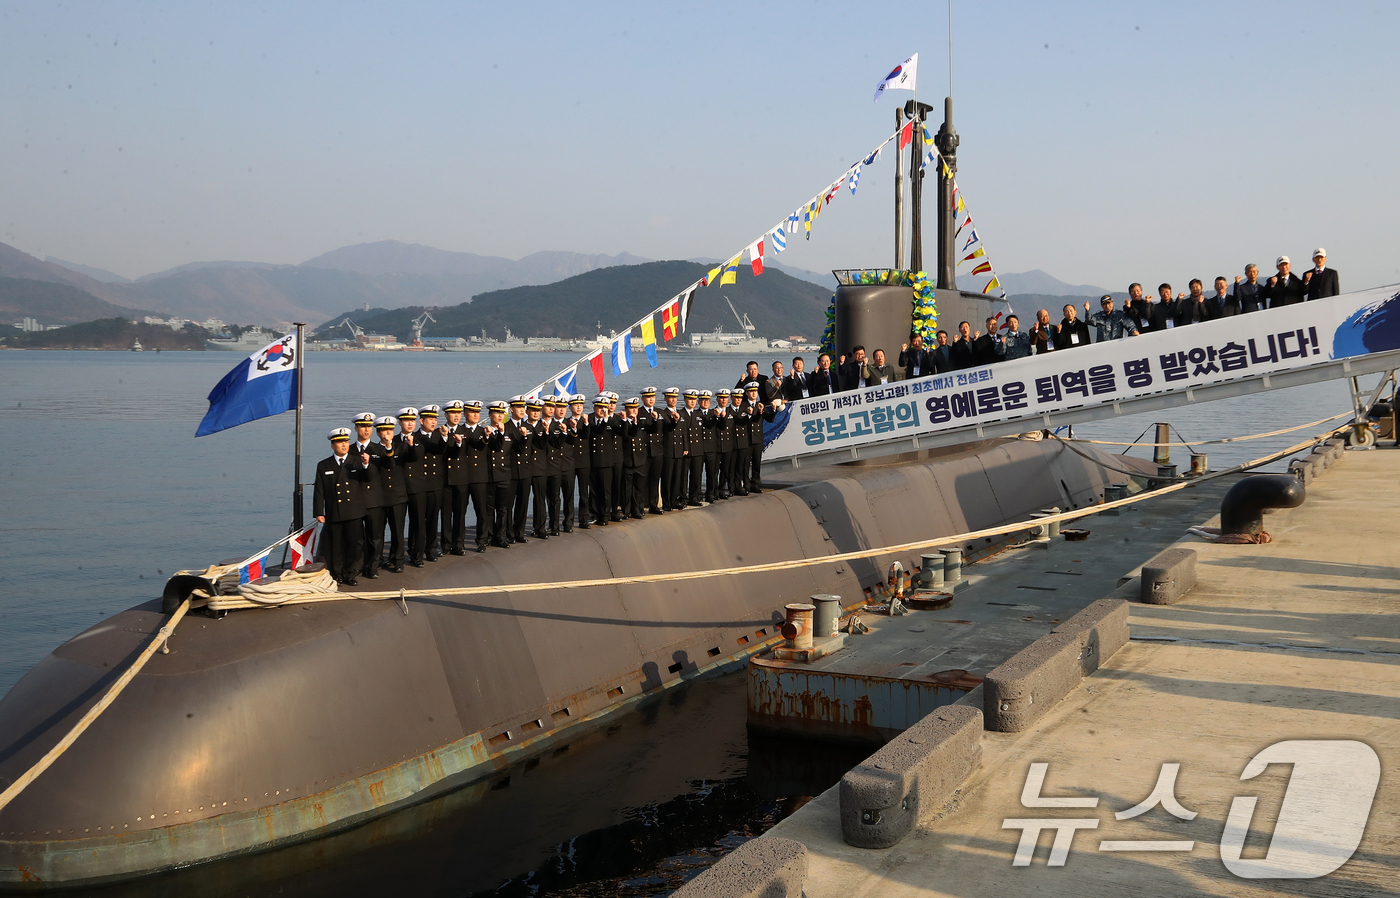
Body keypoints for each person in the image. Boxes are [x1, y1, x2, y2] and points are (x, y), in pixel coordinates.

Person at [313, 427, 369, 586]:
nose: (344, 445)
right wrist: (319, 511)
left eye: (346, 442)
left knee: (353, 544)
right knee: (335, 546)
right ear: (333, 445)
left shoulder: (357, 461)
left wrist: (366, 465)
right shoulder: (324, 465)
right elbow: (319, 490)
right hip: (334, 512)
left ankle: (351, 573)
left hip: (353, 511)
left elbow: (367, 478)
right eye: (340, 442)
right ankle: (337, 573)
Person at [349, 413, 386, 580]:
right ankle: (356, 566)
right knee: (357, 538)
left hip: (373, 499)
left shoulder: (379, 450)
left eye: (369, 426)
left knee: (374, 537)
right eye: (363, 426)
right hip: (356, 500)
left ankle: (372, 567)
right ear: (356, 428)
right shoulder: (348, 450)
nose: (366, 429)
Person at [373, 416, 408, 570]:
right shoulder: (372, 450)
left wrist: (389, 448)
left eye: (390, 430)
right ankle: (378, 560)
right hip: (379, 497)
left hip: (397, 496)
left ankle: (398, 560)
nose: (388, 433)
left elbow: (393, 463)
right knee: (377, 533)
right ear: (378, 433)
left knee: (397, 531)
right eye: (384, 430)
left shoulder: (401, 447)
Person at [416, 404, 447, 560]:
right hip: (419, 486)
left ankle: (431, 549)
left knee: (433, 518)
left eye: (435, 419)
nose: (434, 422)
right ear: (422, 421)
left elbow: (442, 451)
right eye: (430, 419)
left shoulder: (439, 437)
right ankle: (417, 550)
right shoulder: (414, 437)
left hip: (435, 484)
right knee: (419, 520)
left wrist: (445, 437)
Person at [484, 400, 515, 549]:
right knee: (489, 509)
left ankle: (501, 536)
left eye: (502, 413)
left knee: (502, 509)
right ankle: (489, 536)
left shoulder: (509, 432)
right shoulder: (484, 432)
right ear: (490, 415)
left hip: (504, 476)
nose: (500, 416)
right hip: (489, 476)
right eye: (496, 413)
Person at [587, 396, 617, 524]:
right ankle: (594, 514)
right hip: (592, 461)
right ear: (594, 408)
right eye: (599, 407)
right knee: (593, 490)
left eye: (604, 408)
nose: (602, 410)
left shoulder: (612, 421)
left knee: (605, 490)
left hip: (605, 461)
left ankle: (605, 515)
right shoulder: (588, 420)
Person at [743, 381, 775, 493]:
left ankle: (755, 484)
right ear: (747, 393)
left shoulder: (759, 405)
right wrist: (751, 413)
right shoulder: (743, 406)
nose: (753, 394)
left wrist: (774, 410)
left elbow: (769, 419)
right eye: (751, 392)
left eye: (755, 392)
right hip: (746, 439)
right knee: (745, 464)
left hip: (757, 439)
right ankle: (746, 484)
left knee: (757, 463)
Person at [639, 386, 665, 515]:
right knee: (642, 479)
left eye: (653, 397)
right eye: (648, 397)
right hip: (644, 451)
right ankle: (641, 505)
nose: (651, 399)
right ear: (643, 399)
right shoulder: (638, 413)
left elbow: (667, 429)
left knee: (655, 478)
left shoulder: (660, 412)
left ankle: (653, 504)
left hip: (657, 451)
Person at [566, 394, 590, 529]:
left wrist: (586, 423)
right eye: (576, 405)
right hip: (570, 461)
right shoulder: (566, 422)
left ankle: (584, 519)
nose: (579, 407)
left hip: (584, 462)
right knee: (569, 493)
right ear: (570, 408)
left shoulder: (587, 422)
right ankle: (568, 521)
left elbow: (586, 435)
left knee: (583, 492)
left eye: (581, 405)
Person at [622, 398, 648, 518]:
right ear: (626, 410)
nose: (634, 410)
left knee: (639, 488)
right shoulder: (622, 423)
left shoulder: (641, 424)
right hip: (627, 460)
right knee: (627, 488)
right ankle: (626, 511)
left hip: (640, 460)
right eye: (631, 408)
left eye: (635, 408)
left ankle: (637, 510)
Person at [679, 389, 704, 507]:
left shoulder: (698, 414)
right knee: (683, 475)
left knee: (696, 475)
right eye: (690, 399)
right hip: (686, 450)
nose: (693, 402)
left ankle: (693, 497)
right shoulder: (681, 414)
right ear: (685, 400)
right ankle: (682, 497)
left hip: (697, 449)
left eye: (694, 399)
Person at [660, 387, 684, 511]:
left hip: (679, 450)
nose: (673, 400)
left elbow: (684, 433)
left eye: (675, 397)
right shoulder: (663, 414)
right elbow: (668, 428)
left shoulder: (681, 413)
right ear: (665, 399)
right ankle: (666, 502)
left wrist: (685, 448)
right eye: (670, 397)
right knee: (667, 478)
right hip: (668, 450)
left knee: (676, 477)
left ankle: (674, 500)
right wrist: (675, 420)